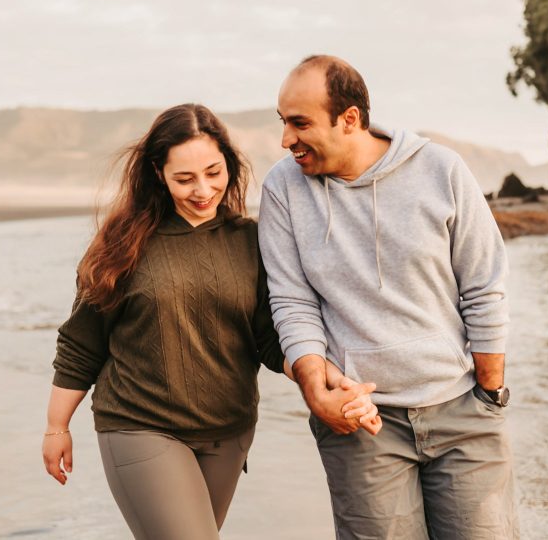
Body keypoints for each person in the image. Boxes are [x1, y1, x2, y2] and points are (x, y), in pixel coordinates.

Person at [41, 103, 380, 539]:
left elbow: (271, 339)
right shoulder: (121, 247)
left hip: (230, 433)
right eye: (184, 179)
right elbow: (81, 344)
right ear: (158, 175)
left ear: (230, 166)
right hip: (140, 425)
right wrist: (56, 427)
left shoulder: (252, 240)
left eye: (213, 172)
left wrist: (331, 380)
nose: (203, 189)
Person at [258, 56, 520, 539]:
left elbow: (484, 285)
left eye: (300, 123)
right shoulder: (283, 188)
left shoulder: (441, 170)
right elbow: (292, 303)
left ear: (350, 119)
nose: (286, 140)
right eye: (283, 123)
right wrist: (317, 393)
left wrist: (490, 394)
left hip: (463, 413)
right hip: (359, 425)